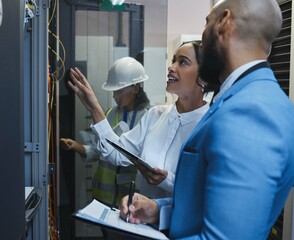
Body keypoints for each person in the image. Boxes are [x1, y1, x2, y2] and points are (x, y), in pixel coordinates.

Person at [119, 0, 294, 239]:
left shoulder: (252, 111)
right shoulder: (238, 97)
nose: (203, 35)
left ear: (223, 22)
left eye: (206, 23)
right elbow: (210, 205)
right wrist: (161, 211)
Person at [68, 41, 210, 199]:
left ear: (204, 77)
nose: (171, 67)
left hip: (177, 223)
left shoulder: (210, 126)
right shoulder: (155, 115)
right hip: (137, 220)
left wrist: (168, 181)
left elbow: (207, 192)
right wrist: (94, 107)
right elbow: (118, 153)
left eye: (183, 62)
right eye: (173, 61)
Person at [60, 56, 150, 207]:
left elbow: (130, 158)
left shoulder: (148, 118)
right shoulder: (109, 113)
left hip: (128, 202)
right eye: (114, 91)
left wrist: (94, 107)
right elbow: (98, 150)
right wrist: (77, 147)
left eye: (119, 91)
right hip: (102, 197)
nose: (114, 96)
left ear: (136, 88)